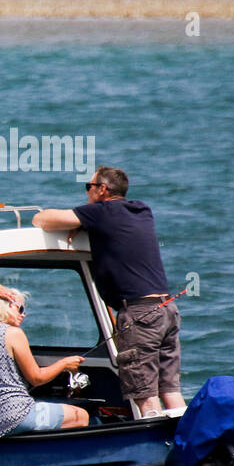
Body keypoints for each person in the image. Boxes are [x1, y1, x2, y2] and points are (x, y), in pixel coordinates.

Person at [32, 166, 185, 417]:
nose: (87, 193)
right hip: (166, 309)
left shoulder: (101, 213)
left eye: (89, 188)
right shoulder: (141, 211)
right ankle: (188, 443)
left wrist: (83, 222)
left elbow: (41, 219)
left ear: (102, 190)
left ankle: (157, 445)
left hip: (139, 314)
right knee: (170, 389)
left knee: (145, 394)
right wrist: (86, 225)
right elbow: (116, 230)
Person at [0, 287, 88, 439]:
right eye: (20, 308)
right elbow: (36, 378)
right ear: (5, 305)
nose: (23, 314)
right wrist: (64, 364)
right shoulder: (13, 333)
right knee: (81, 416)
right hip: (13, 416)